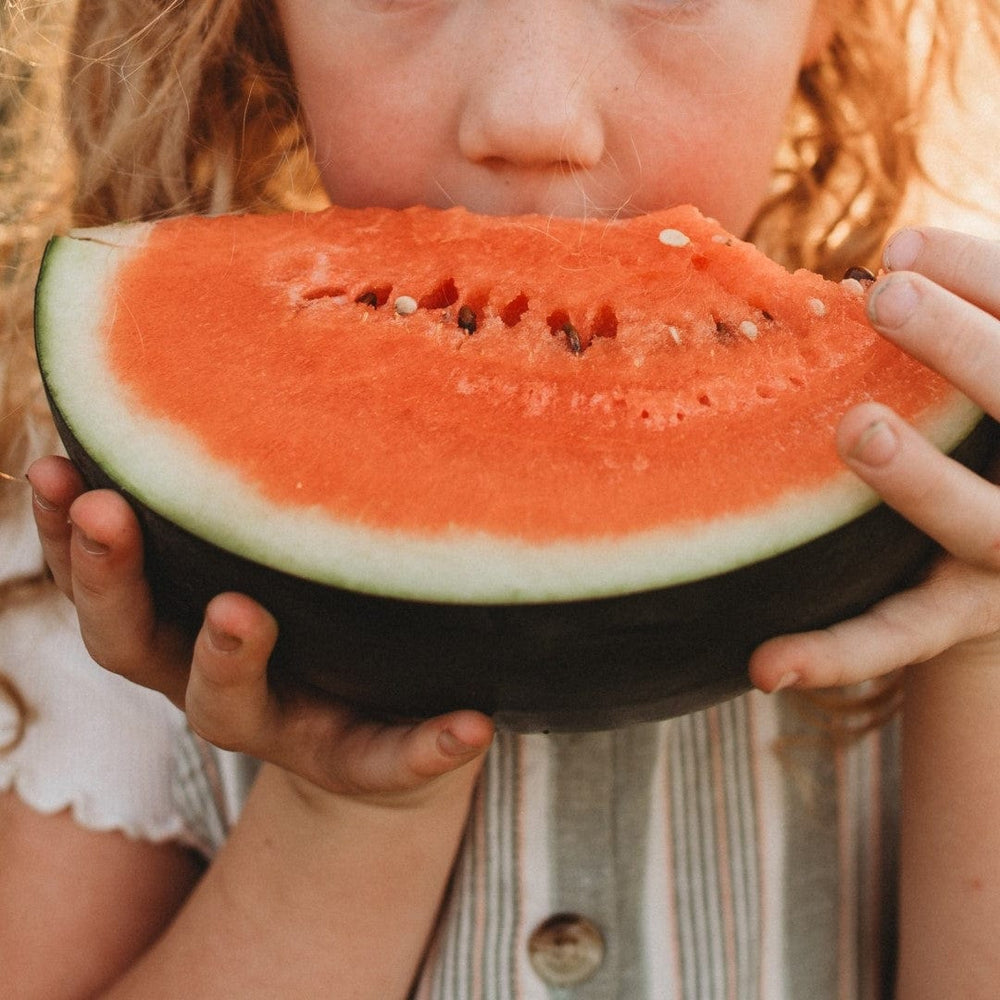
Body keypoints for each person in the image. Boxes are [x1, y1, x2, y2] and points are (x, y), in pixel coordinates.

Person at [2, 0, 999, 996]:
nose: (532, 116)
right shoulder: (111, 559)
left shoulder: (954, 507)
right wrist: (341, 808)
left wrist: (987, 650)